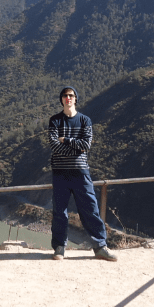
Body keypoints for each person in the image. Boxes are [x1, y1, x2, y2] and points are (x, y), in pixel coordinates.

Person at [48, 86, 117, 262]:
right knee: (60, 212)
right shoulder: (55, 121)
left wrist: (67, 140)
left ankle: (100, 247)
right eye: (65, 95)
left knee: (90, 209)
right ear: (61, 99)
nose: (68, 98)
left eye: (71, 95)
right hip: (60, 173)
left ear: (76, 99)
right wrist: (75, 147)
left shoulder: (85, 120)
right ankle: (59, 247)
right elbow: (54, 146)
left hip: (81, 173)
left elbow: (86, 146)